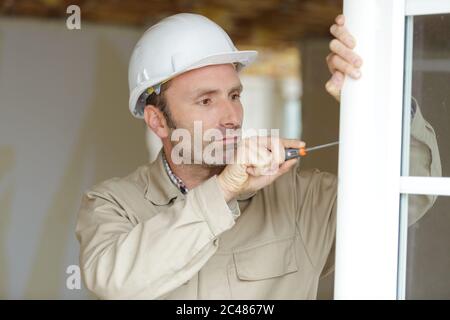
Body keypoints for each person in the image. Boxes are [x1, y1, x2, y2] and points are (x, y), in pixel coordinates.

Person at [76, 13, 441, 299]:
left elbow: (411, 192)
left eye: (234, 96)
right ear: (158, 121)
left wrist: (376, 99)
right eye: (206, 100)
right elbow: (116, 283)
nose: (232, 117)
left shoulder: (300, 202)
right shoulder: (113, 204)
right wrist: (223, 191)